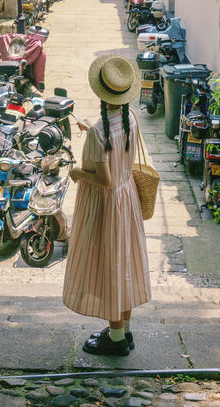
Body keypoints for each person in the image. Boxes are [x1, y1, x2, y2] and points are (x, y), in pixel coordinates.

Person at [62, 54, 151, 356]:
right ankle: (124, 331)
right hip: (128, 204)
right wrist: (92, 130)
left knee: (110, 267)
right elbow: (116, 163)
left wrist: (77, 172)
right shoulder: (131, 121)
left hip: (107, 208)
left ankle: (114, 341)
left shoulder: (100, 133)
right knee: (125, 262)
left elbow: (105, 180)